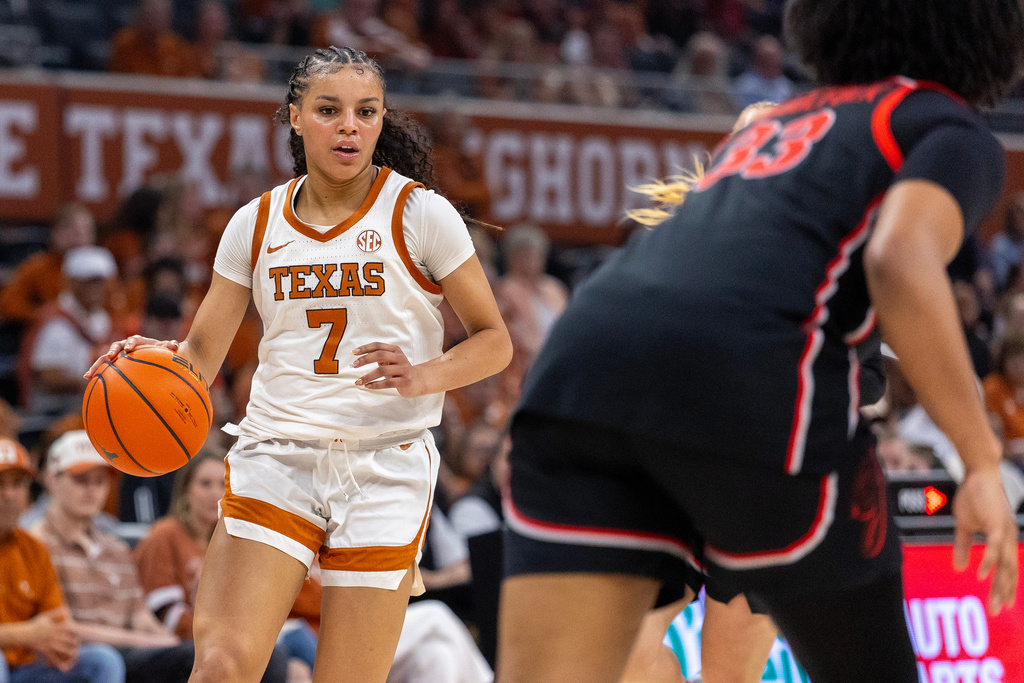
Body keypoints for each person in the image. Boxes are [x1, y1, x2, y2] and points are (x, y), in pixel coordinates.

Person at [496, 1, 1024, 682]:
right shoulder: (940, 123)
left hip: (586, 356)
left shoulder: (768, 122)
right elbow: (899, 259)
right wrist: (980, 459)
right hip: (758, 376)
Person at [86, 45, 511, 683]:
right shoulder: (254, 223)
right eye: (329, 110)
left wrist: (424, 375)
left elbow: (494, 340)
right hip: (277, 452)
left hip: (386, 462)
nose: (349, 126)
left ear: (381, 119)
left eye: (366, 111)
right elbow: (200, 354)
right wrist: (144, 362)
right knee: (222, 666)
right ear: (294, 118)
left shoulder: (420, 213)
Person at [29, 430, 214, 683]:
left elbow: (140, 616)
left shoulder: (115, 547)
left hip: (126, 652)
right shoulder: (36, 544)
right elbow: (60, 628)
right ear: (51, 479)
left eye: (100, 481)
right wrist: (149, 642)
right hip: (75, 657)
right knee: (174, 659)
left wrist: (166, 640)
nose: (92, 490)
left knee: (211, 658)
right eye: (81, 480)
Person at [0, 437, 126, 683]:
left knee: (103, 660)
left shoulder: (34, 549)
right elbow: (36, 632)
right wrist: (22, 634)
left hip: (29, 667)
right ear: (52, 482)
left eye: (17, 484)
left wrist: (51, 637)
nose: (8, 494)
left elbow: (60, 626)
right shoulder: (43, 535)